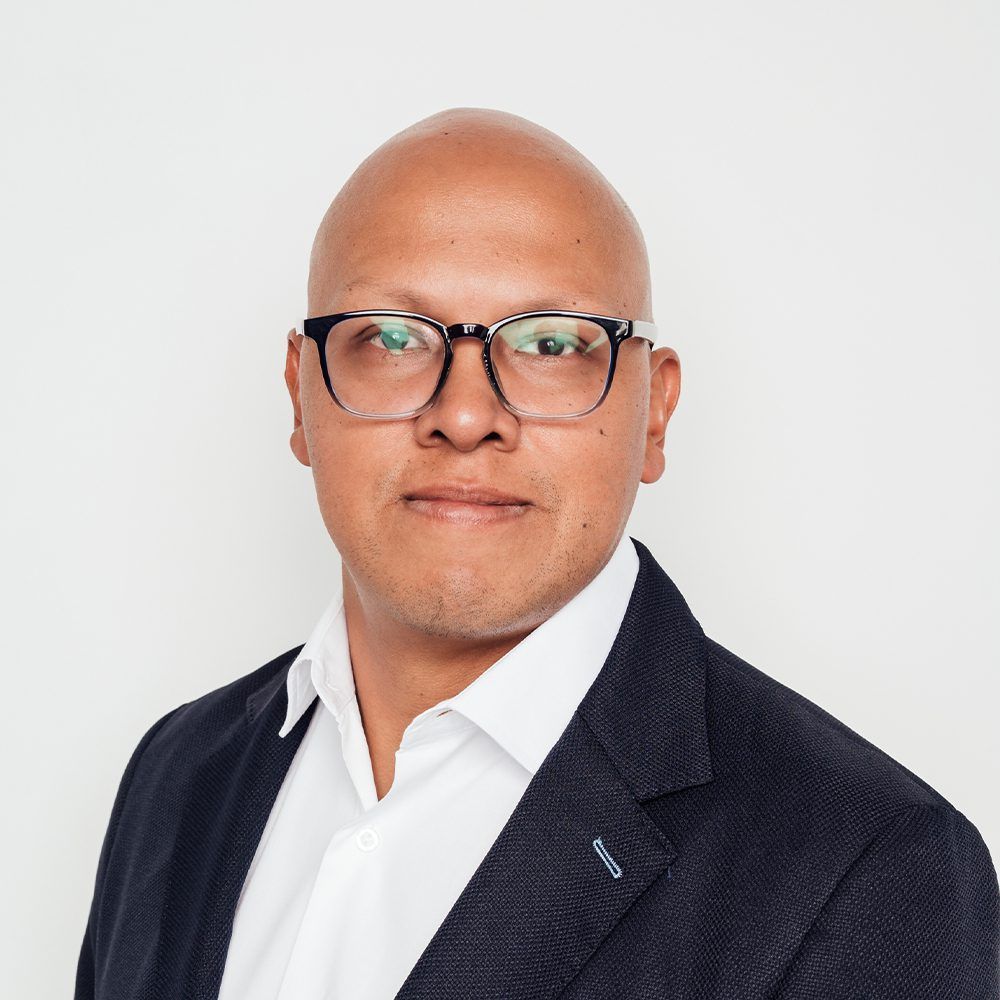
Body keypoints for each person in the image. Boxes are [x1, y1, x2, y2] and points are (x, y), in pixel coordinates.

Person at [75, 107, 999, 1000]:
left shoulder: (870, 874)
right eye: (391, 338)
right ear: (300, 396)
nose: (464, 414)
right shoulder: (177, 775)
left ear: (655, 413)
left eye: (552, 343)